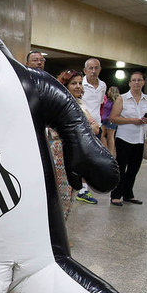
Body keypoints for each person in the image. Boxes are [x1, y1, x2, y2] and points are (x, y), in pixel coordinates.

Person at [109, 71, 147, 206]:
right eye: (133, 80)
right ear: (129, 83)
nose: (136, 83)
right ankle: (116, 195)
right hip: (125, 137)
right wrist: (133, 120)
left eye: (139, 80)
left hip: (140, 138)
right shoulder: (122, 98)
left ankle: (128, 194)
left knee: (134, 168)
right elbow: (113, 118)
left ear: (143, 82)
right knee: (121, 167)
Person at [57, 69, 99, 205]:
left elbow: (96, 128)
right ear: (65, 85)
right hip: (61, 153)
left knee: (70, 195)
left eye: (80, 83)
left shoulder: (80, 103)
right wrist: (87, 127)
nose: (78, 86)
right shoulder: (61, 104)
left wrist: (85, 127)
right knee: (62, 196)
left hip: (78, 153)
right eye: (73, 83)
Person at [81, 58, 106, 138]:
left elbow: (100, 103)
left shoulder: (103, 85)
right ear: (85, 70)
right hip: (82, 126)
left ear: (100, 69)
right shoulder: (80, 84)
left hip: (97, 126)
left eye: (96, 68)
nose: (93, 71)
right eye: (91, 68)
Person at [101, 86, 120, 157]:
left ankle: (111, 153)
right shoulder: (108, 100)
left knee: (110, 136)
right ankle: (106, 150)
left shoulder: (116, 101)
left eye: (109, 90)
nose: (108, 92)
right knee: (101, 135)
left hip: (111, 120)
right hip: (104, 120)